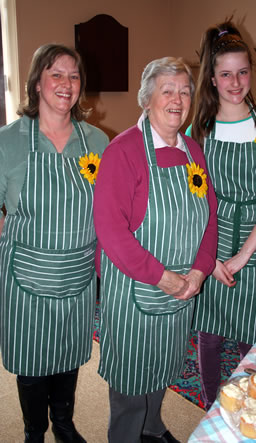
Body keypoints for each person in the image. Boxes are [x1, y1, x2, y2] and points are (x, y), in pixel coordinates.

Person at [93, 56, 218, 443]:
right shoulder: (124, 151)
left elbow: (209, 217)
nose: (178, 99)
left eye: (184, 91)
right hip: (135, 292)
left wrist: (200, 270)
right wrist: (160, 276)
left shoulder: (193, 151)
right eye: (168, 91)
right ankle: (130, 433)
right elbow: (111, 231)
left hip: (181, 290)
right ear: (147, 99)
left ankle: (152, 426)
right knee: (132, 382)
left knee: (163, 367)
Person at [0, 44, 109, 442]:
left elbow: (111, 210)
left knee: (66, 355)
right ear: (36, 82)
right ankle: (34, 431)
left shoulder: (96, 141)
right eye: (56, 74)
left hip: (78, 275)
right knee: (31, 359)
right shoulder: (8, 141)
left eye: (74, 76)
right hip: (25, 275)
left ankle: (64, 424)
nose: (66, 84)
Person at [186, 19, 256, 410]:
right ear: (211, 78)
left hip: (254, 243)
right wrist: (209, 259)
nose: (235, 82)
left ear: (252, 72)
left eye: (242, 72)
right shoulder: (200, 128)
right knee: (209, 336)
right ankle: (212, 407)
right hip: (209, 242)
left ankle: (253, 408)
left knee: (250, 338)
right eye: (225, 73)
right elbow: (195, 197)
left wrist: (244, 255)